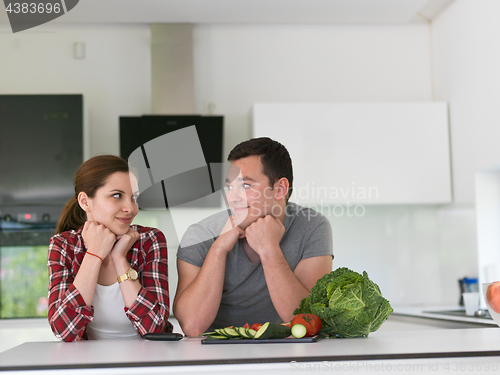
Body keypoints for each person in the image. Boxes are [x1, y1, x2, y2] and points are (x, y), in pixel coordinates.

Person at [174, 137, 333, 336]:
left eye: (246, 185)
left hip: (285, 352)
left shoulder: (312, 227)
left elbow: (309, 321)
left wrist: (269, 250)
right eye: (229, 187)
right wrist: (219, 248)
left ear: (280, 189)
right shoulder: (200, 235)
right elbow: (192, 326)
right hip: (214, 355)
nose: (233, 197)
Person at [47, 155, 173, 341]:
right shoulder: (63, 245)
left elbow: (154, 328)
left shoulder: (149, 240)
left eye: (134, 197)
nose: (130, 208)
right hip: (92, 365)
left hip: (148, 361)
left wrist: (120, 259)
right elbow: (64, 330)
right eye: (117, 195)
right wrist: (94, 254)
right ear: (84, 201)